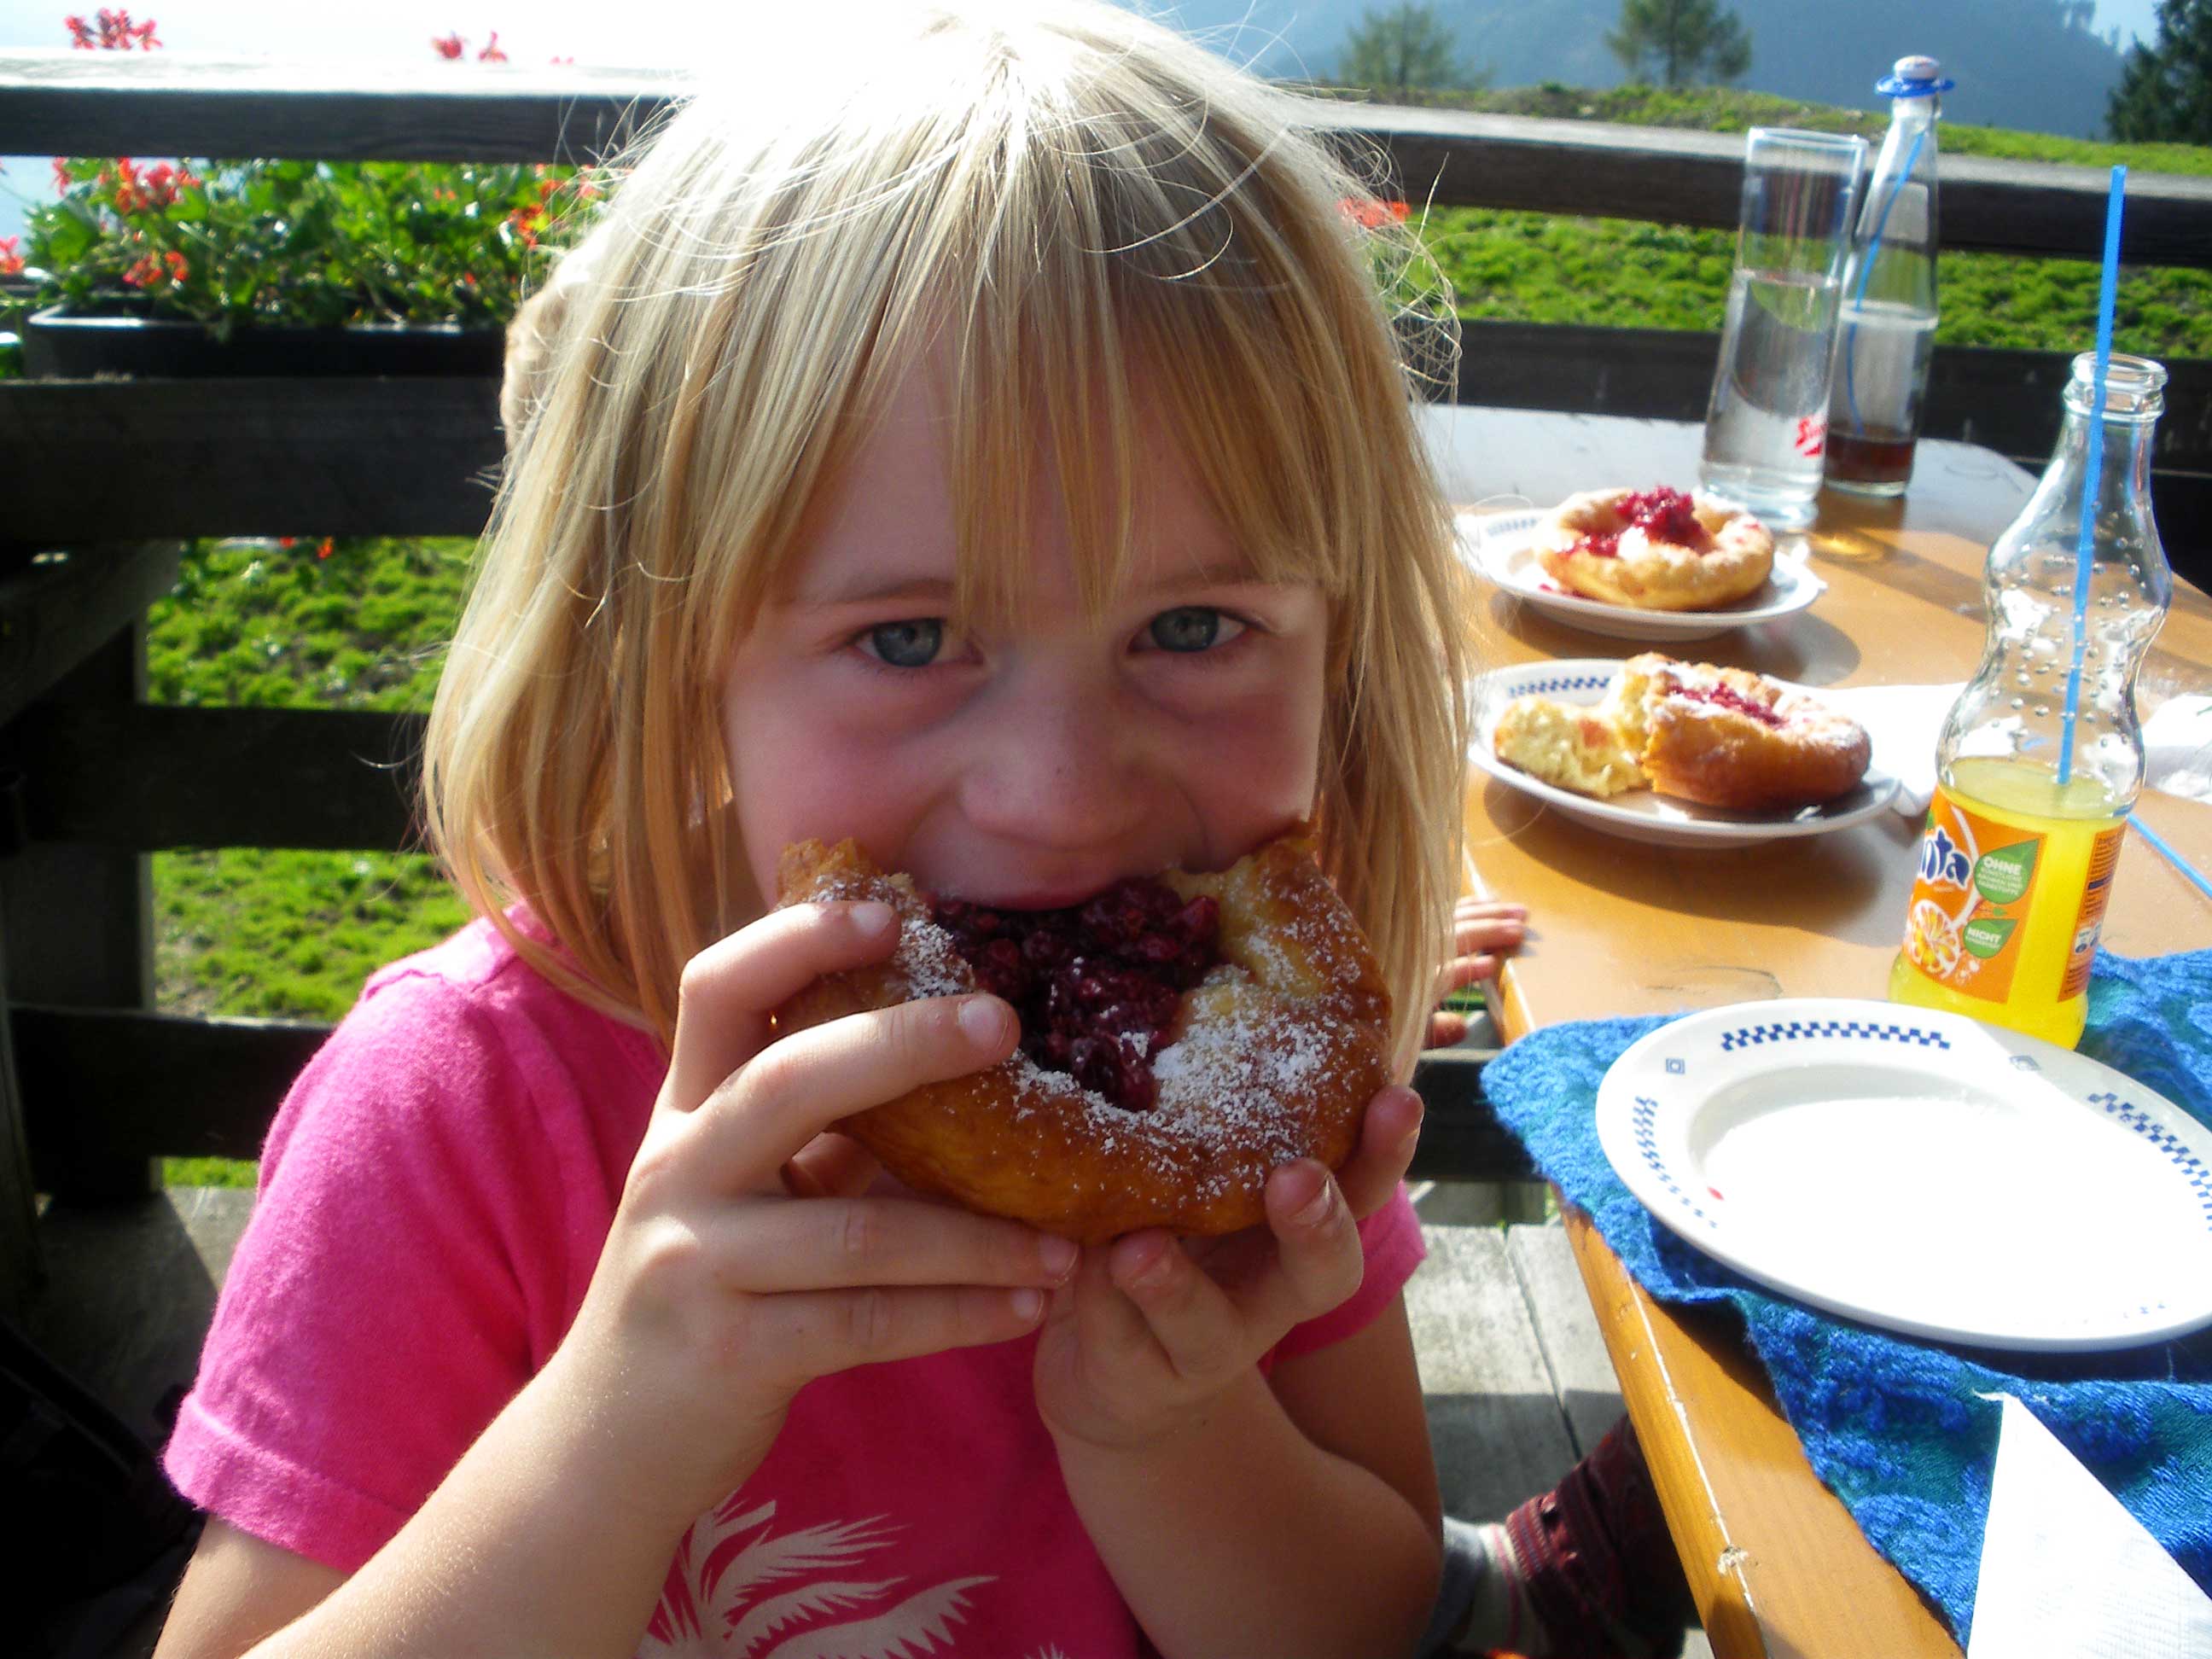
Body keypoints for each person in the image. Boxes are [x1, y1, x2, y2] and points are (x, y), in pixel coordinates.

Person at [152, 6, 1487, 1656]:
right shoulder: (465, 1114)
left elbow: (1372, 1611)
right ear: (671, 649)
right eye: (912, 641)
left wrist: (1168, 1434)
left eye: (1196, 627)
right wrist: (617, 1430)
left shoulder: (1266, 1128)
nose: (1063, 793)